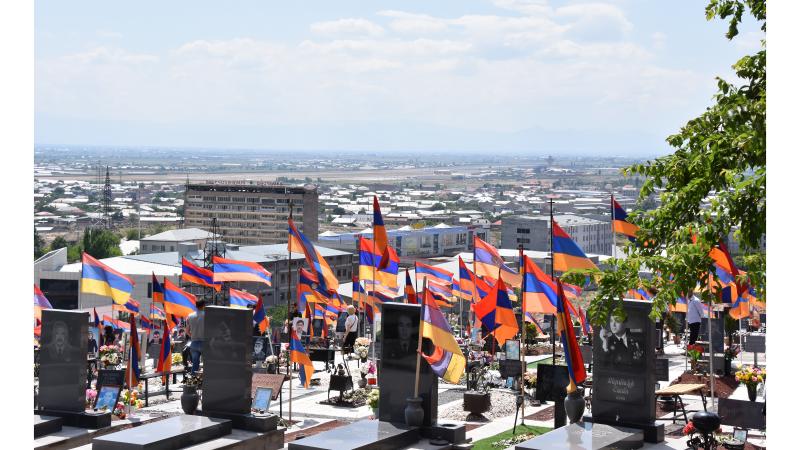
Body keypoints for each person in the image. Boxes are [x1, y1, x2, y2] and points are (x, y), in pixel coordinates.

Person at [186, 300, 205, 374]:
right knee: (207, 364)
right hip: (205, 343)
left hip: (194, 343)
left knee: (195, 364)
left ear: (196, 306)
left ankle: (193, 379)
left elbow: (187, 331)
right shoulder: (207, 315)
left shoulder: (190, 316)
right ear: (204, 305)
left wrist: (193, 336)